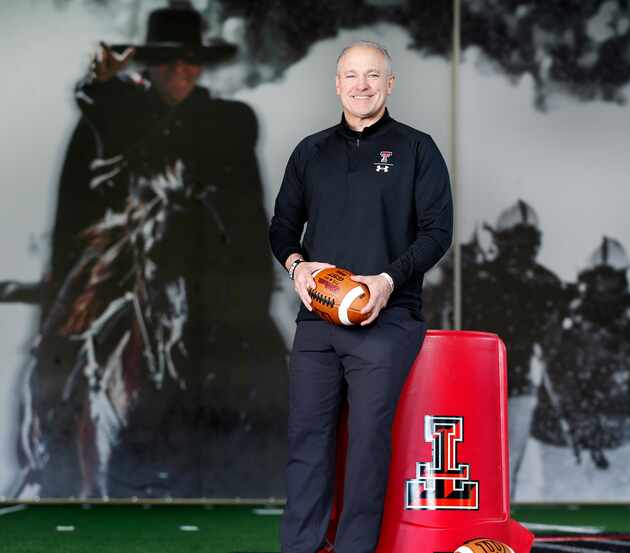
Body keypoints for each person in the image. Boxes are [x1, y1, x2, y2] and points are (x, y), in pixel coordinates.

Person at [14, 2, 288, 499]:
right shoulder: (113, 117)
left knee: (268, 372)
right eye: (167, 59)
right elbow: (74, 214)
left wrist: (248, 287)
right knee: (58, 360)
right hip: (123, 265)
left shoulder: (229, 121)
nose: (181, 70)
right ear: (149, 65)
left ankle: (260, 485)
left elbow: (249, 216)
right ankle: (51, 468)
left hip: (215, 277)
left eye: (191, 60)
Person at [269, 41, 452, 553]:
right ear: (337, 83)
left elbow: (438, 232)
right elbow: (283, 225)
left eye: (373, 75)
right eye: (351, 75)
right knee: (307, 443)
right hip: (317, 322)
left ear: (389, 84)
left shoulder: (418, 148)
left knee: (368, 446)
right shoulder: (310, 151)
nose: (361, 84)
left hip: (387, 320)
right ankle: (299, 548)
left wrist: (386, 282)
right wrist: (297, 266)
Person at [529, 237, 630, 501]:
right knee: (561, 517)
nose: (604, 288)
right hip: (565, 435)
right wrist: (570, 422)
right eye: (600, 279)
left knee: (615, 518)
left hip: (614, 432)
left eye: (609, 279)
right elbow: (553, 371)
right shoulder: (562, 312)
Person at [459, 200, 562, 497]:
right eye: (518, 240)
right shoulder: (475, 279)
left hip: (515, 385)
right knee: (477, 459)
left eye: (528, 241)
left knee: (505, 465)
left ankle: (499, 518)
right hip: (477, 384)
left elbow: (552, 344)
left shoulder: (545, 284)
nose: (523, 249)